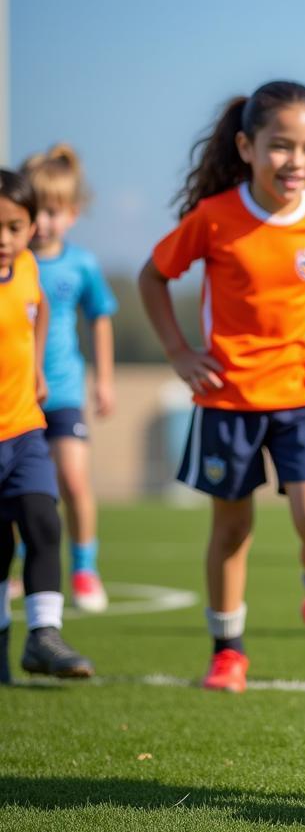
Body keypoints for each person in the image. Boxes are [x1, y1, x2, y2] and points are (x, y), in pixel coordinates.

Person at [138, 80, 305, 694]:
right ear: (247, 147)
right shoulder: (214, 218)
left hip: (303, 398)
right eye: (280, 147)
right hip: (227, 400)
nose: (295, 162)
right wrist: (177, 351)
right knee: (230, 530)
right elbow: (153, 275)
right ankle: (228, 651)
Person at [0, 168, 94, 682]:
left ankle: (43, 634)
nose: (4, 239)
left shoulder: (30, 267)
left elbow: (36, 316)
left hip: (23, 429)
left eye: (14, 227)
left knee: (43, 518)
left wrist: (36, 370)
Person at [18, 144, 118, 613]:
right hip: (16, 399)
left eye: (55, 212)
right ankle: (25, 567)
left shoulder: (81, 264)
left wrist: (104, 380)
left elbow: (99, 317)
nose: (46, 222)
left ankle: (84, 567)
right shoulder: (13, 263)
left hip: (62, 393)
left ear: (72, 214)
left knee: (74, 481)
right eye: (37, 212)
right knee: (21, 490)